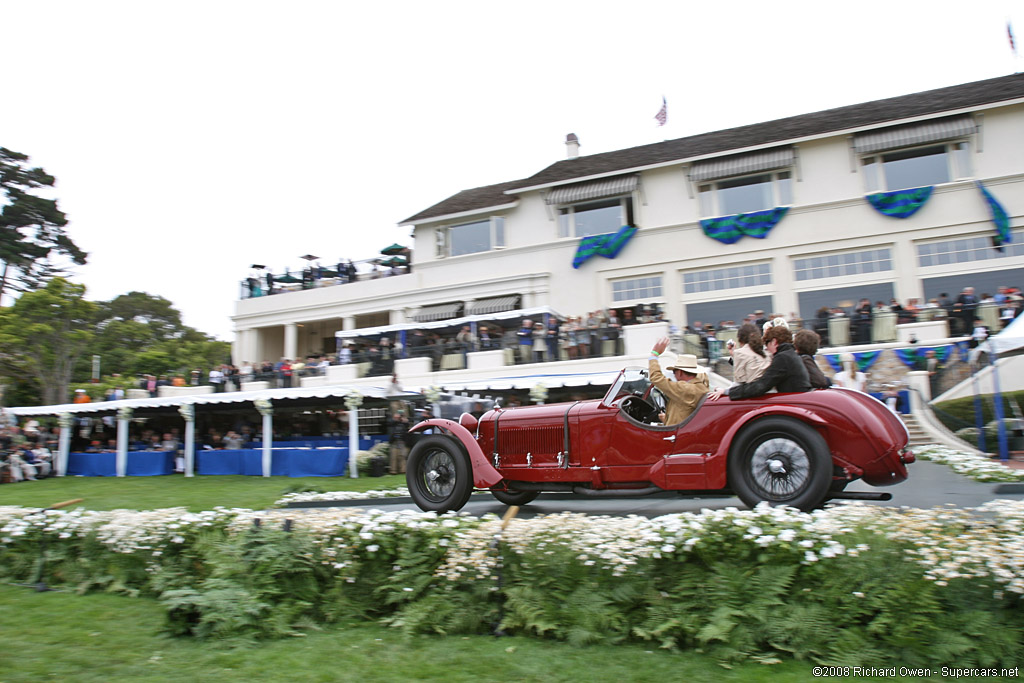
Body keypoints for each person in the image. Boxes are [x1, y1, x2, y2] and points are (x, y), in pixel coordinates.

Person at [715, 322, 811, 400]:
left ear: (773, 342)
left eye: (767, 344)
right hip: (799, 399)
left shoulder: (782, 358)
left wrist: (727, 392)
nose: (767, 349)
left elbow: (761, 386)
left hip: (794, 401)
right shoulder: (790, 355)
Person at [648, 338, 710, 424]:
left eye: (674, 371)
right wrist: (666, 418)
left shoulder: (684, 388)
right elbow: (684, 412)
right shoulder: (700, 387)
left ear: (680, 372)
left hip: (677, 433)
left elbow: (656, 378)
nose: (674, 375)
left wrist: (654, 355)